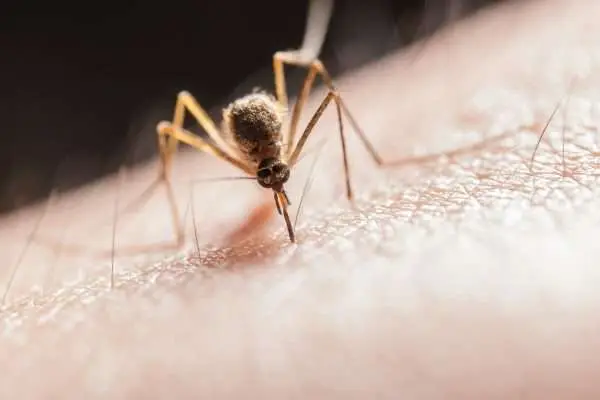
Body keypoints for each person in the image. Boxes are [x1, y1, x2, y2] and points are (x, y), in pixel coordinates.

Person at [2, 0, 600, 397]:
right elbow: (178, 127)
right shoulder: (245, 155)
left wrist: (359, 180)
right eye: (273, 180)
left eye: (278, 179)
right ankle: (164, 228)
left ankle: (386, 161)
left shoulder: (284, 142)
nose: (279, 190)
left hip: (270, 123)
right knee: (176, 118)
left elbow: (330, 95)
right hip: (249, 128)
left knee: (320, 89)